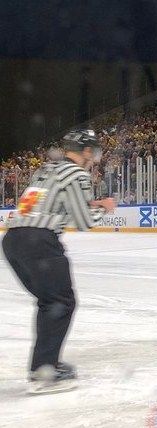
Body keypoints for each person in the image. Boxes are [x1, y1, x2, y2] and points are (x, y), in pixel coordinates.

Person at [2, 129, 116, 394]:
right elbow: (84, 222)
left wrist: (90, 203)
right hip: (39, 241)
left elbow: (47, 204)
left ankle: (43, 365)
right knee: (60, 301)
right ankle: (45, 371)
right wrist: (104, 208)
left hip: (13, 241)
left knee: (50, 302)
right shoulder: (77, 173)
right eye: (93, 151)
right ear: (86, 151)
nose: (94, 157)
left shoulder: (46, 169)